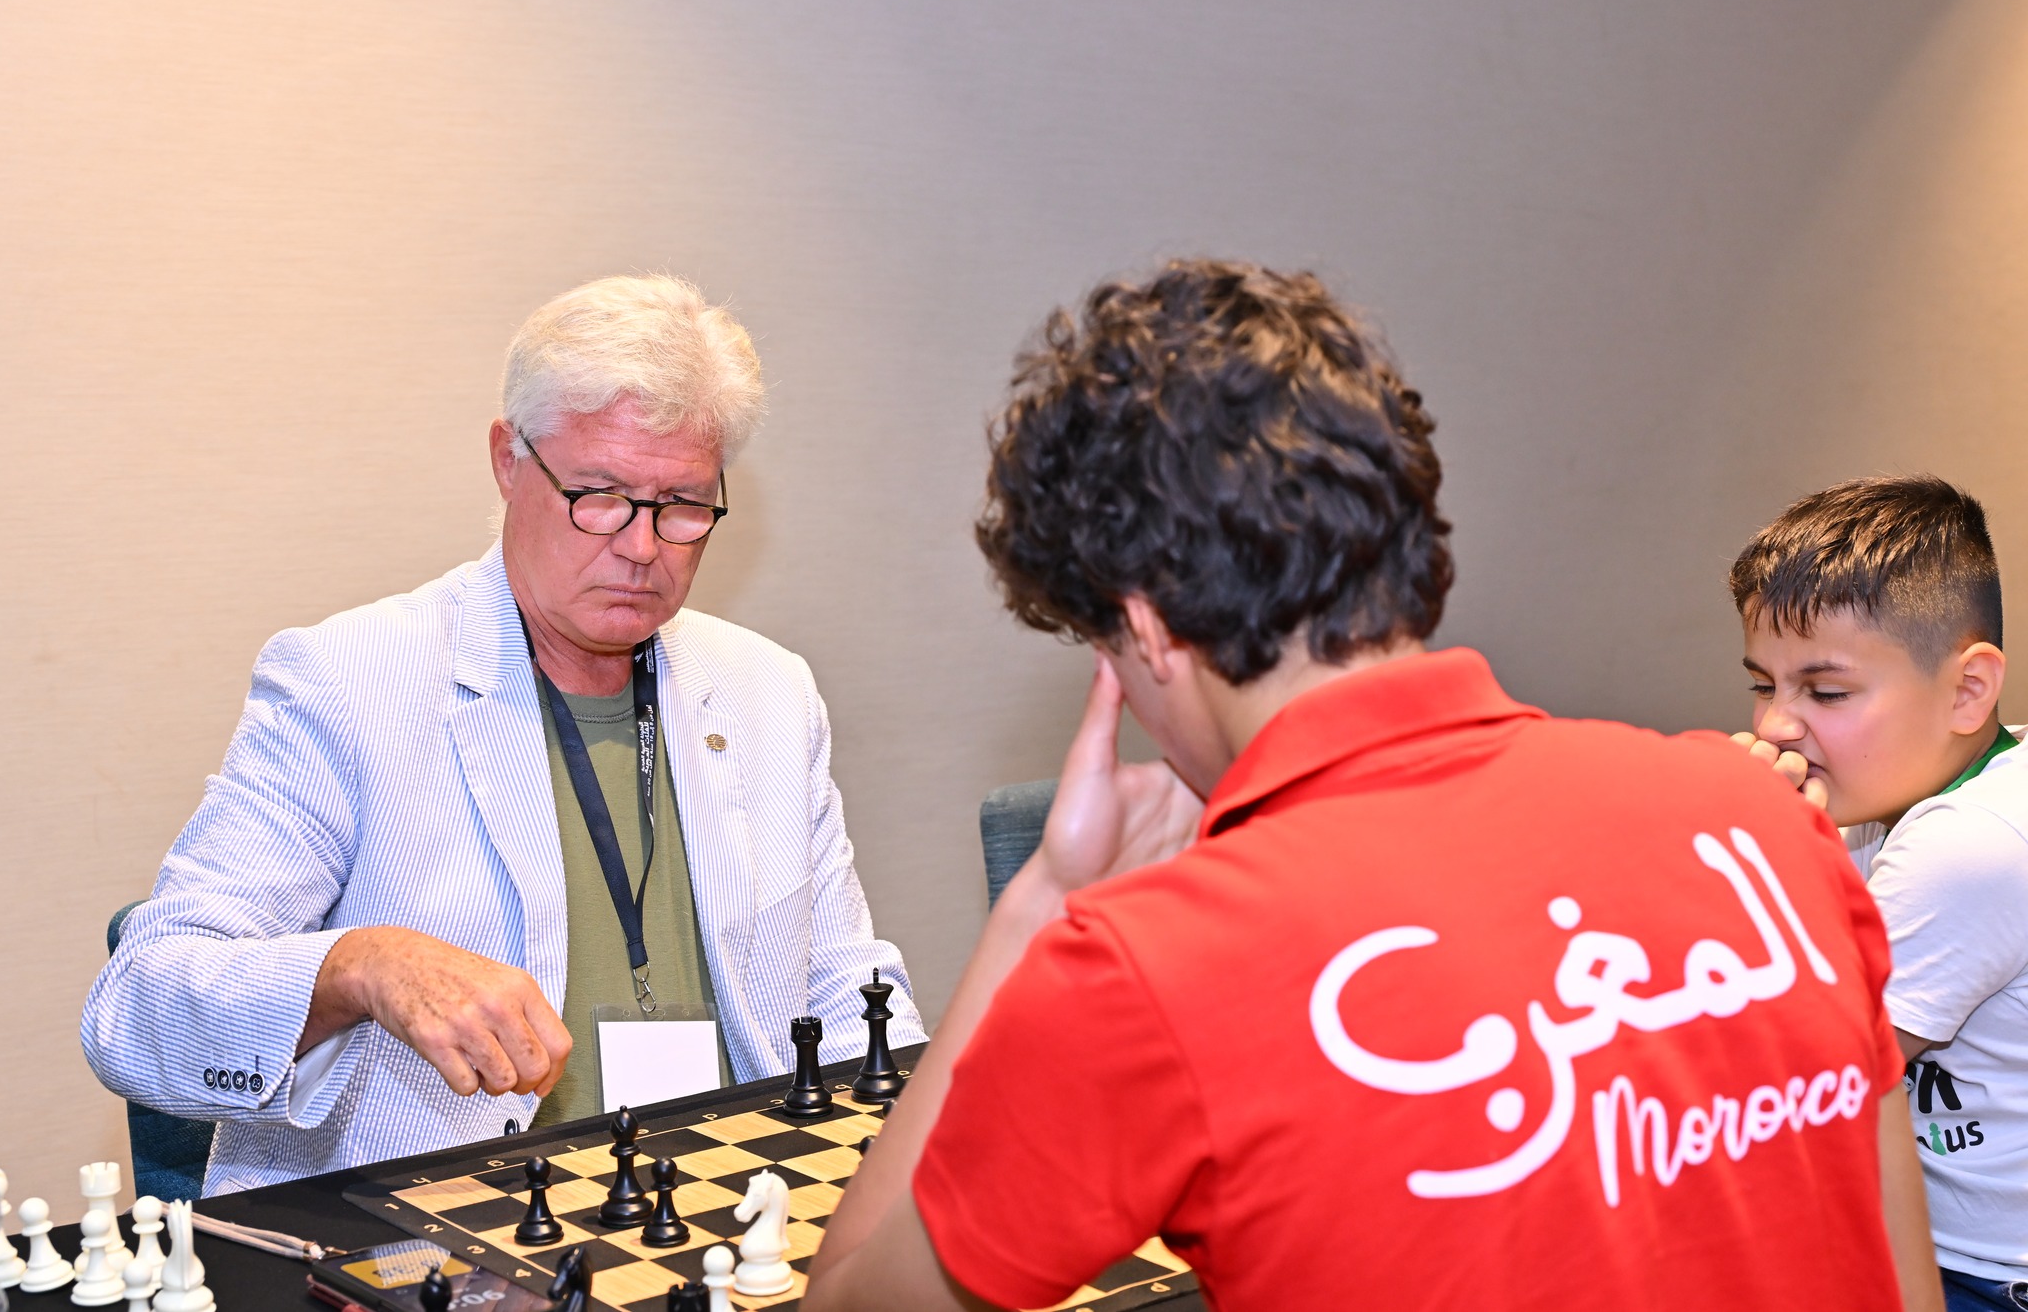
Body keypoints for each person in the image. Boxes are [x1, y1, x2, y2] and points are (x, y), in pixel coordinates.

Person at [804, 259, 1939, 1311]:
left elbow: (850, 1298)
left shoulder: (1146, 965)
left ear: (1143, 632)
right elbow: (1900, 1278)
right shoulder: (1764, 826)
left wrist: (1046, 904)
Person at [82, 274, 922, 1194]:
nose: (642, 546)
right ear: (508, 461)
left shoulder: (769, 690)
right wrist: (360, 964)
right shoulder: (351, 681)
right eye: (599, 495)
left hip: (730, 1211)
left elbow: (845, 992)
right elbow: (138, 1007)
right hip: (443, 1226)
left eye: (682, 504)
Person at [1728, 476, 2027, 1309]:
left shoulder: (1965, 842)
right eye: (1763, 684)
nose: (1775, 725)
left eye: (1826, 691)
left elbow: (1786, 1085)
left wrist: (1740, 854)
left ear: (1968, 690)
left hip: (1984, 1277)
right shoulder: (1901, 793)